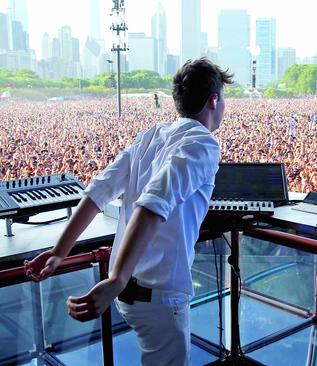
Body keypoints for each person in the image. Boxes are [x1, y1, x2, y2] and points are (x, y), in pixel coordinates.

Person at [24, 58, 233, 365]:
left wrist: (60, 252)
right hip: (158, 296)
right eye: (224, 99)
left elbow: (99, 192)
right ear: (214, 100)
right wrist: (116, 280)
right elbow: (151, 206)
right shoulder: (203, 143)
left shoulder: (151, 136)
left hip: (130, 297)